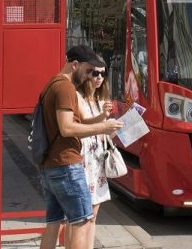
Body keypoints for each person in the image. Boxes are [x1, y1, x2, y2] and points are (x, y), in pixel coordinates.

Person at [38, 45, 123, 249]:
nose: (88, 77)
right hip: (66, 163)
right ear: (74, 64)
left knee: (53, 224)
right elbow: (67, 128)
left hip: (50, 164)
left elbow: (81, 121)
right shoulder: (65, 87)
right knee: (82, 221)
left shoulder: (52, 84)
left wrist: (103, 120)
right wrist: (104, 126)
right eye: (87, 71)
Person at [76, 59, 115, 249]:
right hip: (84, 160)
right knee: (80, 217)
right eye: (95, 73)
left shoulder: (101, 100)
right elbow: (84, 123)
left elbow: (104, 131)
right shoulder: (78, 97)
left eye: (103, 73)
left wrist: (118, 128)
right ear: (87, 74)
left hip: (97, 160)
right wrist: (103, 119)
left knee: (93, 215)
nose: (99, 77)